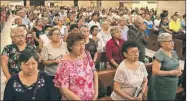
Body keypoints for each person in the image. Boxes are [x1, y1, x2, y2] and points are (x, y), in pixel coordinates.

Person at [54, 33, 98, 100]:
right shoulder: (64, 63)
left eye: (83, 43)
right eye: (78, 44)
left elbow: (94, 72)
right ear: (71, 46)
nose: (82, 47)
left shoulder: (87, 54)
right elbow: (64, 90)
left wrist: (96, 93)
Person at [148, 33, 182, 100]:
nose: (172, 43)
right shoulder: (159, 54)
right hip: (161, 85)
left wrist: (179, 69)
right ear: (162, 44)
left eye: (172, 41)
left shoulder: (173, 52)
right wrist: (171, 73)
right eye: (169, 41)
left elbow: (177, 63)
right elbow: (155, 71)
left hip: (172, 84)